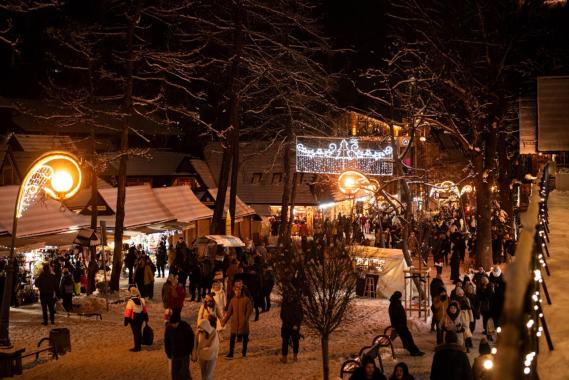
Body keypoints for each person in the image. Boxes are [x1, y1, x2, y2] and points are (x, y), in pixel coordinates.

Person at [221, 283, 253, 358]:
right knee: (232, 339)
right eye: (236, 291)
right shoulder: (232, 300)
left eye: (239, 291)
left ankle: (244, 353)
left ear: (241, 291)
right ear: (234, 291)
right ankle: (231, 353)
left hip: (243, 323)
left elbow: (249, 310)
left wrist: (245, 319)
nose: (237, 292)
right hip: (234, 323)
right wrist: (224, 321)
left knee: (245, 339)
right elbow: (229, 313)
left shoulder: (246, 300)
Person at [388, 291, 424, 356]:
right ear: (398, 297)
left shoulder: (396, 303)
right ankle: (413, 351)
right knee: (407, 338)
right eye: (400, 297)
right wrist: (401, 323)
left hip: (401, 324)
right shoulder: (394, 304)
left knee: (408, 337)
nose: (401, 298)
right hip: (399, 325)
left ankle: (415, 350)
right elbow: (395, 316)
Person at [165, 311, 195, 380]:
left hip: (185, 354)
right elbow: (166, 341)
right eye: (172, 324)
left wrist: (191, 350)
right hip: (174, 354)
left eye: (175, 324)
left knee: (185, 373)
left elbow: (191, 338)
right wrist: (168, 353)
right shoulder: (168, 328)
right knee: (175, 374)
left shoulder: (185, 326)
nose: (173, 325)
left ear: (178, 322)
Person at [280, 292, 303, 363]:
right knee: (285, 342)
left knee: (294, 342)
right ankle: (285, 358)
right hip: (287, 326)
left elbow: (300, 316)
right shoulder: (286, 304)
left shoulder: (297, 304)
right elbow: (282, 315)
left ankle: (294, 357)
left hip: (292, 326)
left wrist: (296, 324)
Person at [123, 287, 148, 352]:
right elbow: (145, 310)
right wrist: (146, 317)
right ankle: (139, 345)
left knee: (136, 333)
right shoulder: (142, 300)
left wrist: (126, 321)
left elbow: (128, 312)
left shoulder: (130, 302)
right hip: (141, 318)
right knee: (139, 331)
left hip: (133, 320)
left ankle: (137, 347)